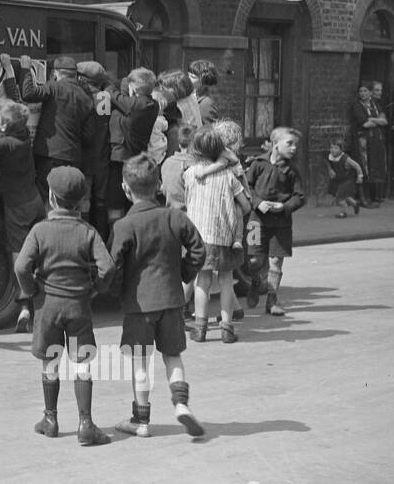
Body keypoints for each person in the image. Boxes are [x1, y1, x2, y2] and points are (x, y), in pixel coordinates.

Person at [106, 154, 208, 438]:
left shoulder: (123, 227)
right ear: (159, 185)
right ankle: (181, 404)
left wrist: (117, 291)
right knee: (173, 357)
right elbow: (199, 250)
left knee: (140, 362)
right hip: (173, 300)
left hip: (139, 306)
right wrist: (183, 273)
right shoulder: (175, 217)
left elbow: (112, 266)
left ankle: (140, 421)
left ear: (126, 189)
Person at [13, 165, 115, 446]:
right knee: (82, 363)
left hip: (47, 307)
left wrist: (32, 290)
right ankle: (85, 424)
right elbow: (107, 268)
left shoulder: (39, 230)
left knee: (50, 360)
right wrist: (94, 290)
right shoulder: (88, 232)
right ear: (81, 200)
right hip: (78, 307)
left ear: (51, 196)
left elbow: (21, 266)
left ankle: (50, 419)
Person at [0, 96, 46, 333]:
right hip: (34, 200)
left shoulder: (8, 144)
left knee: (20, 257)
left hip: (17, 207)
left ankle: (24, 306)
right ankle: (41, 303)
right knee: (38, 253)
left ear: (5, 124)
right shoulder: (24, 136)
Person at [183, 127, 253, 345]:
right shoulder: (229, 177)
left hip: (198, 236)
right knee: (225, 282)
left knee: (201, 282)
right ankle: (226, 329)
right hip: (224, 236)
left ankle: (201, 329)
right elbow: (246, 204)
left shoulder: (189, 174)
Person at [245, 127, 305, 317]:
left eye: (296, 144)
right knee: (254, 259)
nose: (294, 148)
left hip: (281, 223)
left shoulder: (292, 170)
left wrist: (284, 207)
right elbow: (247, 188)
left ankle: (272, 299)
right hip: (257, 220)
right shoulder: (258, 164)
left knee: (276, 260)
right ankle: (256, 282)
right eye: (290, 143)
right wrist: (258, 202)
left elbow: (300, 196)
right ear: (275, 144)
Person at [17, 53, 95, 198]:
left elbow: (28, 93)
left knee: (48, 197)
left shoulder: (55, 87)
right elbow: (89, 137)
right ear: (75, 74)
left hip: (49, 156)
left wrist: (25, 69)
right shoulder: (86, 99)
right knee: (68, 198)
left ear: (55, 73)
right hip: (73, 158)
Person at [105, 67, 159, 231]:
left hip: (122, 158)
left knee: (115, 200)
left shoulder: (139, 104)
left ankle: (116, 233)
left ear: (134, 89)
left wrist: (108, 85)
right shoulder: (152, 104)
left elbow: (115, 96)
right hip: (137, 157)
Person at [76, 60, 112, 241]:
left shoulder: (80, 95)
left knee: (83, 203)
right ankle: (101, 240)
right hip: (102, 157)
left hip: (84, 158)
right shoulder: (104, 97)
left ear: (82, 78)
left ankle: (84, 241)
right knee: (99, 201)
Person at [349, 83, 387, 207]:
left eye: (365, 91)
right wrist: (376, 121)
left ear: (370, 92)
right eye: (360, 91)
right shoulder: (357, 106)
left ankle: (375, 197)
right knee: (364, 167)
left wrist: (373, 120)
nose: (362, 93)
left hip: (376, 141)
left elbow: (384, 121)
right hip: (362, 142)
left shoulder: (376, 105)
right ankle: (363, 198)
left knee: (375, 166)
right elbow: (364, 124)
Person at [325, 137, 364, 218]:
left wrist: (360, 176)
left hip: (347, 181)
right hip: (337, 180)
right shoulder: (330, 156)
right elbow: (328, 163)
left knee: (339, 198)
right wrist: (330, 170)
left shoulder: (345, 158)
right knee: (343, 196)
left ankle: (343, 213)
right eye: (331, 147)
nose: (333, 150)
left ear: (341, 149)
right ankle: (355, 204)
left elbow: (357, 166)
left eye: (336, 148)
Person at [189, 60, 220, 126]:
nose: (188, 79)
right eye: (188, 75)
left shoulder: (206, 103)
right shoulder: (190, 97)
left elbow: (207, 131)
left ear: (204, 82)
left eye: (193, 77)